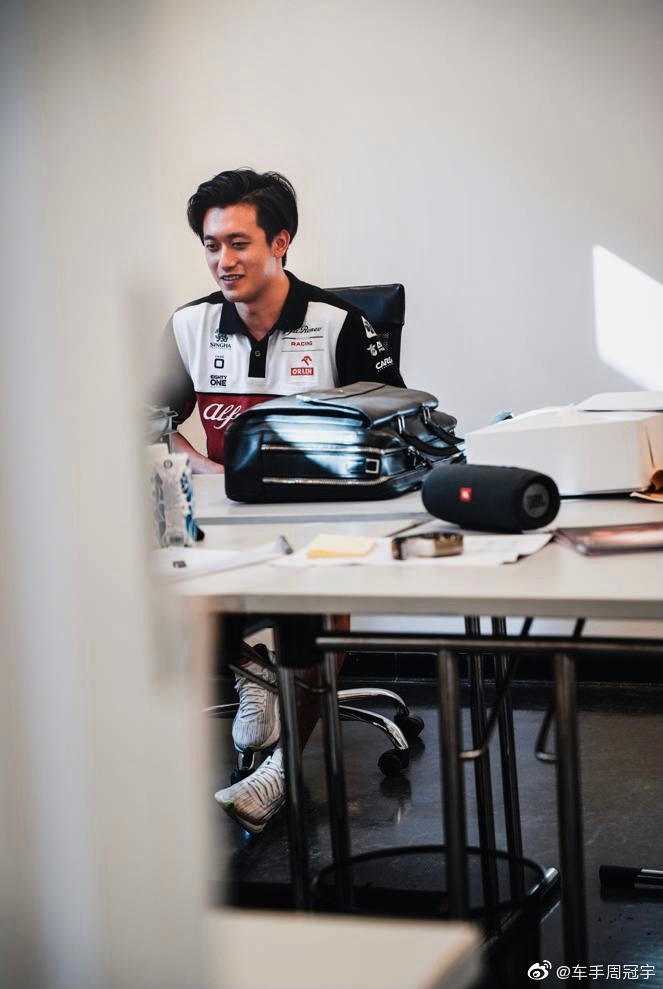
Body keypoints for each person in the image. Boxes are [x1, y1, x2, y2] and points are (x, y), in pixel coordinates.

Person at [153, 167, 405, 833]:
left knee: (319, 603)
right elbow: (148, 421)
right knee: (150, 568)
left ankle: (281, 773)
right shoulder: (188, 325)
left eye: (239, 243)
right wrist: (206, 467)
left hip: (323, 511)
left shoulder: (340, 324)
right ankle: (253, 671)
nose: (224, 261)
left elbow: (392, 424)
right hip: (221, 511)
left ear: (280, 242)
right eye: (211, 246)